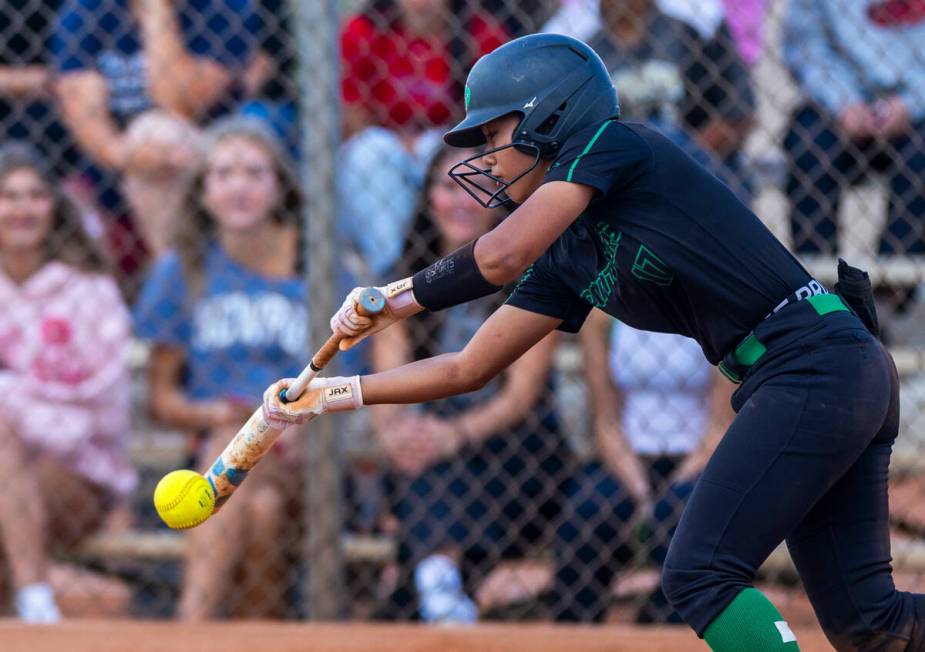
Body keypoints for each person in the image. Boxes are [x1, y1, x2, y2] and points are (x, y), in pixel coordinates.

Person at [261, 33, 925, 651]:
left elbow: (496, 258)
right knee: (871, 626)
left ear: (551, 117)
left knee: (698, 573)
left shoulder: (615, 143)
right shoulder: (563, 252)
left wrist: (393, 300)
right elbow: (469, 366)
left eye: (494, 132)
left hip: (813, 364)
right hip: (821, 373)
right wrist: (330, 395)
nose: (483, 155)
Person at [367, 144, 569, 623]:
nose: (459, 200)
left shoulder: (535, 275)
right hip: (430, 454)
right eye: (445, 185)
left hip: (515, 452)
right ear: (426, 198)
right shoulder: (400, 283)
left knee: (442, 437)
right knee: (428, 447)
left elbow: (520, 397)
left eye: (475, 186)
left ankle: (429, 581)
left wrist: (450, 437)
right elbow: (386, 388)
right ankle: (447, 582)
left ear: (501, 198)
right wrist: (393, 435)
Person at [133, 117, 307, 619]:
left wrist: (283, 423)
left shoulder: (318, 266)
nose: (239, 186)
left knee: (250, 447)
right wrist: (218, 414)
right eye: (223, 173)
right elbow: (162, 398)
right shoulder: (180, 269)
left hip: (305, 455)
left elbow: (348, 376)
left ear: (280, 186)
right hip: (220, 441)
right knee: (261, 511)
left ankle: (191, 629)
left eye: (255, 172)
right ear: (203, 192)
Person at [0, 142, 137, 623]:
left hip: (78, 468)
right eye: (7, 195)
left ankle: (37, 599)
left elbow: (99, 405)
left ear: (54, 206)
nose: (22, 208)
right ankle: (38, 599)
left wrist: (9, 398)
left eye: (35, 195)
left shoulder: (90, 290)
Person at [51, 0, 270, 268]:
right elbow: (82, 111)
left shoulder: (225, 9)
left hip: (197, 166)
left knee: (158, 130)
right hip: (109, 173)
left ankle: (175, 277)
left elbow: (176, 101)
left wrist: (157, 13)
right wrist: (125, 155)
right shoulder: (87, 10)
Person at [574, 311, 733, 623]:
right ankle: (574, 633)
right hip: (629, 460)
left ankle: (663, 631)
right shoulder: (604, 314)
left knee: (679, 519)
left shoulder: (714, 307)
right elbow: (605, 423)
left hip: (697, 460)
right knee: (585, 516)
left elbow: (720, 427)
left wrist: (671, 490)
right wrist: (641, 491)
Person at [338, 0, 509, 278]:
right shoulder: (365, 29)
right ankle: (394, 272)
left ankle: (458, 265)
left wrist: (431, 143)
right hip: (387, 150)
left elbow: (492, 115)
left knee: (440, 151)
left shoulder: (479, 32)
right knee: (370, 151)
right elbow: (353, 115)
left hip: (450, 144)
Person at [782, 0, 925, 258]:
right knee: (809, 148)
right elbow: (806, 46)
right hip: (839, 98)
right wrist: (843, 102)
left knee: (920, 161)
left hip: (916, 101)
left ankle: (891, 288)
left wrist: (912, 103)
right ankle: (817, 283)